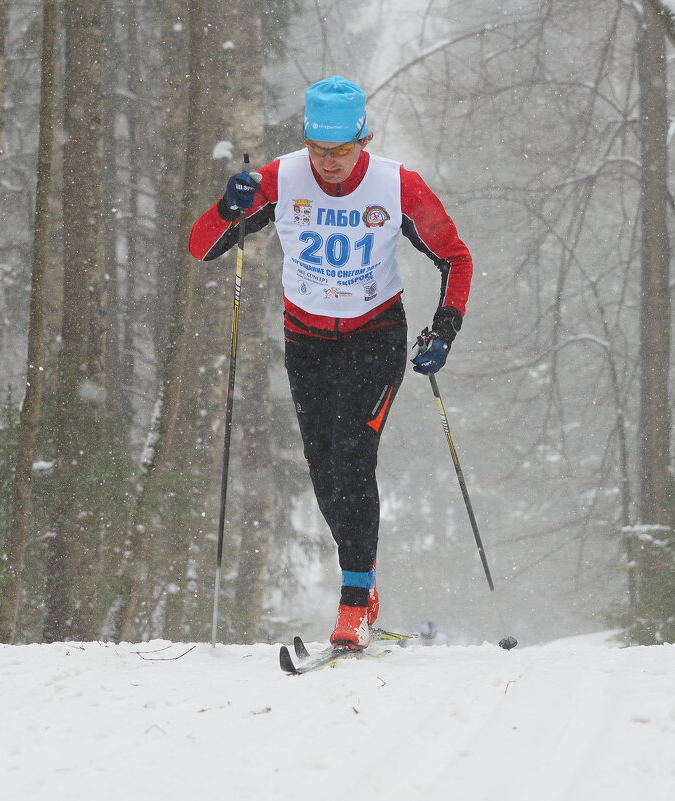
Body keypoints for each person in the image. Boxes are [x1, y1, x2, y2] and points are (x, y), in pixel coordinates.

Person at [189, 76, 473, 651]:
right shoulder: (278, 178)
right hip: (307, 342)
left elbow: (456, 258)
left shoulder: (398, 186)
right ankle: (363, 583)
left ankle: (352, 601)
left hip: (376, 336)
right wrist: (228, 208)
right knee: (323, 468)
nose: (330, 163)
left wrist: (445, 329)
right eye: (319, 150)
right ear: (306, 142)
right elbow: (201, 247)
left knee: (353, 454)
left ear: (363, 140)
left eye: (343, 150)